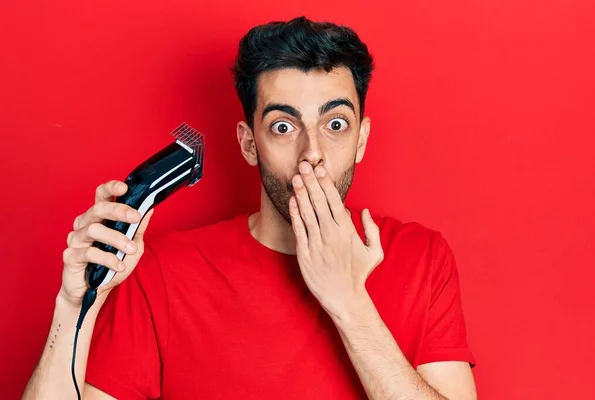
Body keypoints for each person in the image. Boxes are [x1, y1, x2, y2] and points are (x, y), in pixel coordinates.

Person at [24, 16, 477, 400]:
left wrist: (349, 303)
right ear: (248, 143)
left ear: (361, 139)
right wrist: (72, 305)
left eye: (335, 124)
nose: (311, 153)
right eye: (283, 126)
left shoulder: (423, 258)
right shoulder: (163, 274)